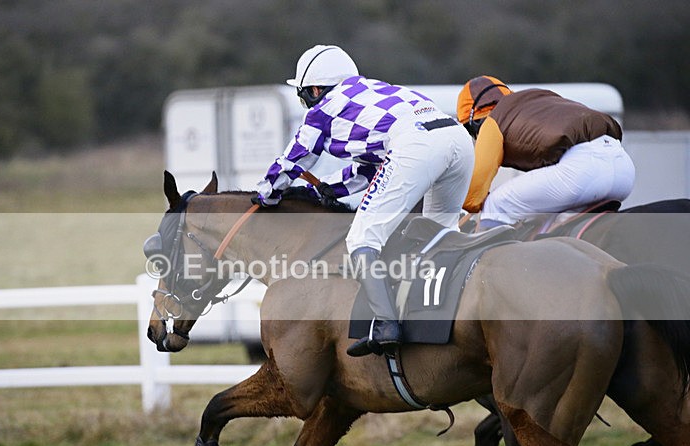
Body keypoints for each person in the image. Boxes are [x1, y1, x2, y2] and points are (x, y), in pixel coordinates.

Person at [254, 44, 474, 357]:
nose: (306, 105)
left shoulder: (323, 108)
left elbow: (295, 159)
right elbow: (369, 169)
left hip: (417, 144)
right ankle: (446, 311)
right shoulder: (374, 91)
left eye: (304, 97)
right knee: (440, 232)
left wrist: (266, 192)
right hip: (456, 138)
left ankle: (386, 325)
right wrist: (330, 189)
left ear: (315, 90)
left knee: (362, 238)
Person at [456, 75, 636, 230]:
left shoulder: (493, 120)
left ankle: (489, 261)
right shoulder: (538, 98)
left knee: (496, 205)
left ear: (474, 122)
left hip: (582, 172)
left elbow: (474, 194)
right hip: (623, 169)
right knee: (547, 223)